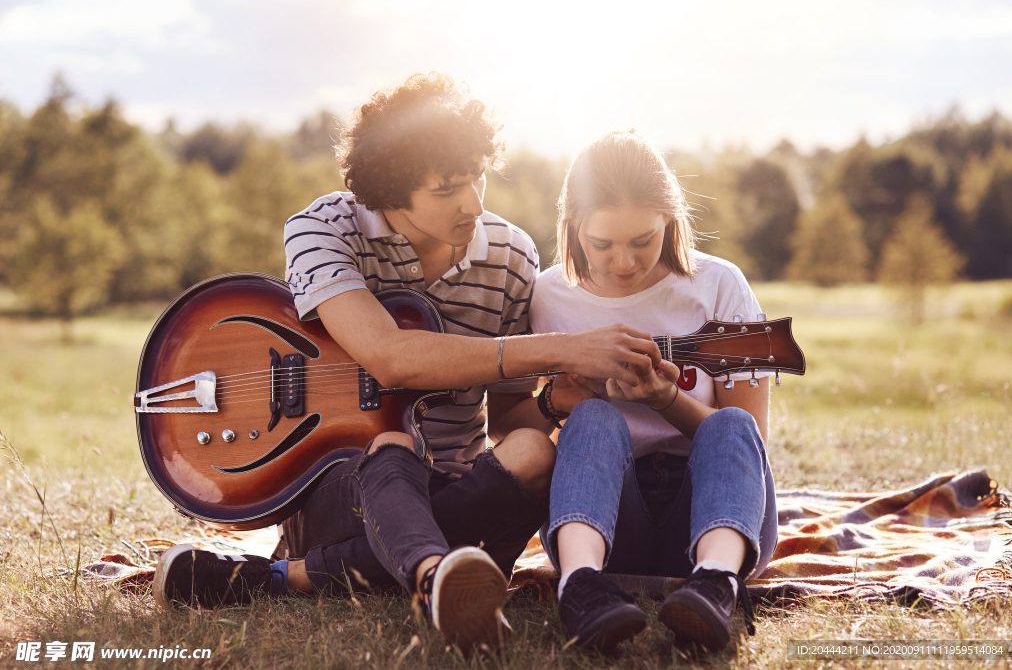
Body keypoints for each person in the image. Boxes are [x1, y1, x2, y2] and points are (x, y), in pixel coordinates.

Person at [151, 74, 661, 656]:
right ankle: (429, 578)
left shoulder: (512, 255)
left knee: (539, 452)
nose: (474, 202)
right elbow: (390, 358)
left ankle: (306, 579)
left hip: (465, 496)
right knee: (390, 443)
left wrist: (551, 402)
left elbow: (506, 421)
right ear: (389, 193)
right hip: (340, 487)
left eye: (477, 176)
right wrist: (561, 348)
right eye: (447, 189)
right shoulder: (324, 229)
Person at [527, 131, 778, 653]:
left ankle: (715, 585)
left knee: (732, 424)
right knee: (595, 419)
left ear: (671, 218)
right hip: (607, 518)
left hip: (714, 512)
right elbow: (511, 427)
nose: (624, 262)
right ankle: (579, 587)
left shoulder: (720, 285)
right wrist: (559, 403)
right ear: (573, 227)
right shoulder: (548, 296)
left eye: (643, 241)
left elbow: (749, 443)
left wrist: (662, 400)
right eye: (602, 245)